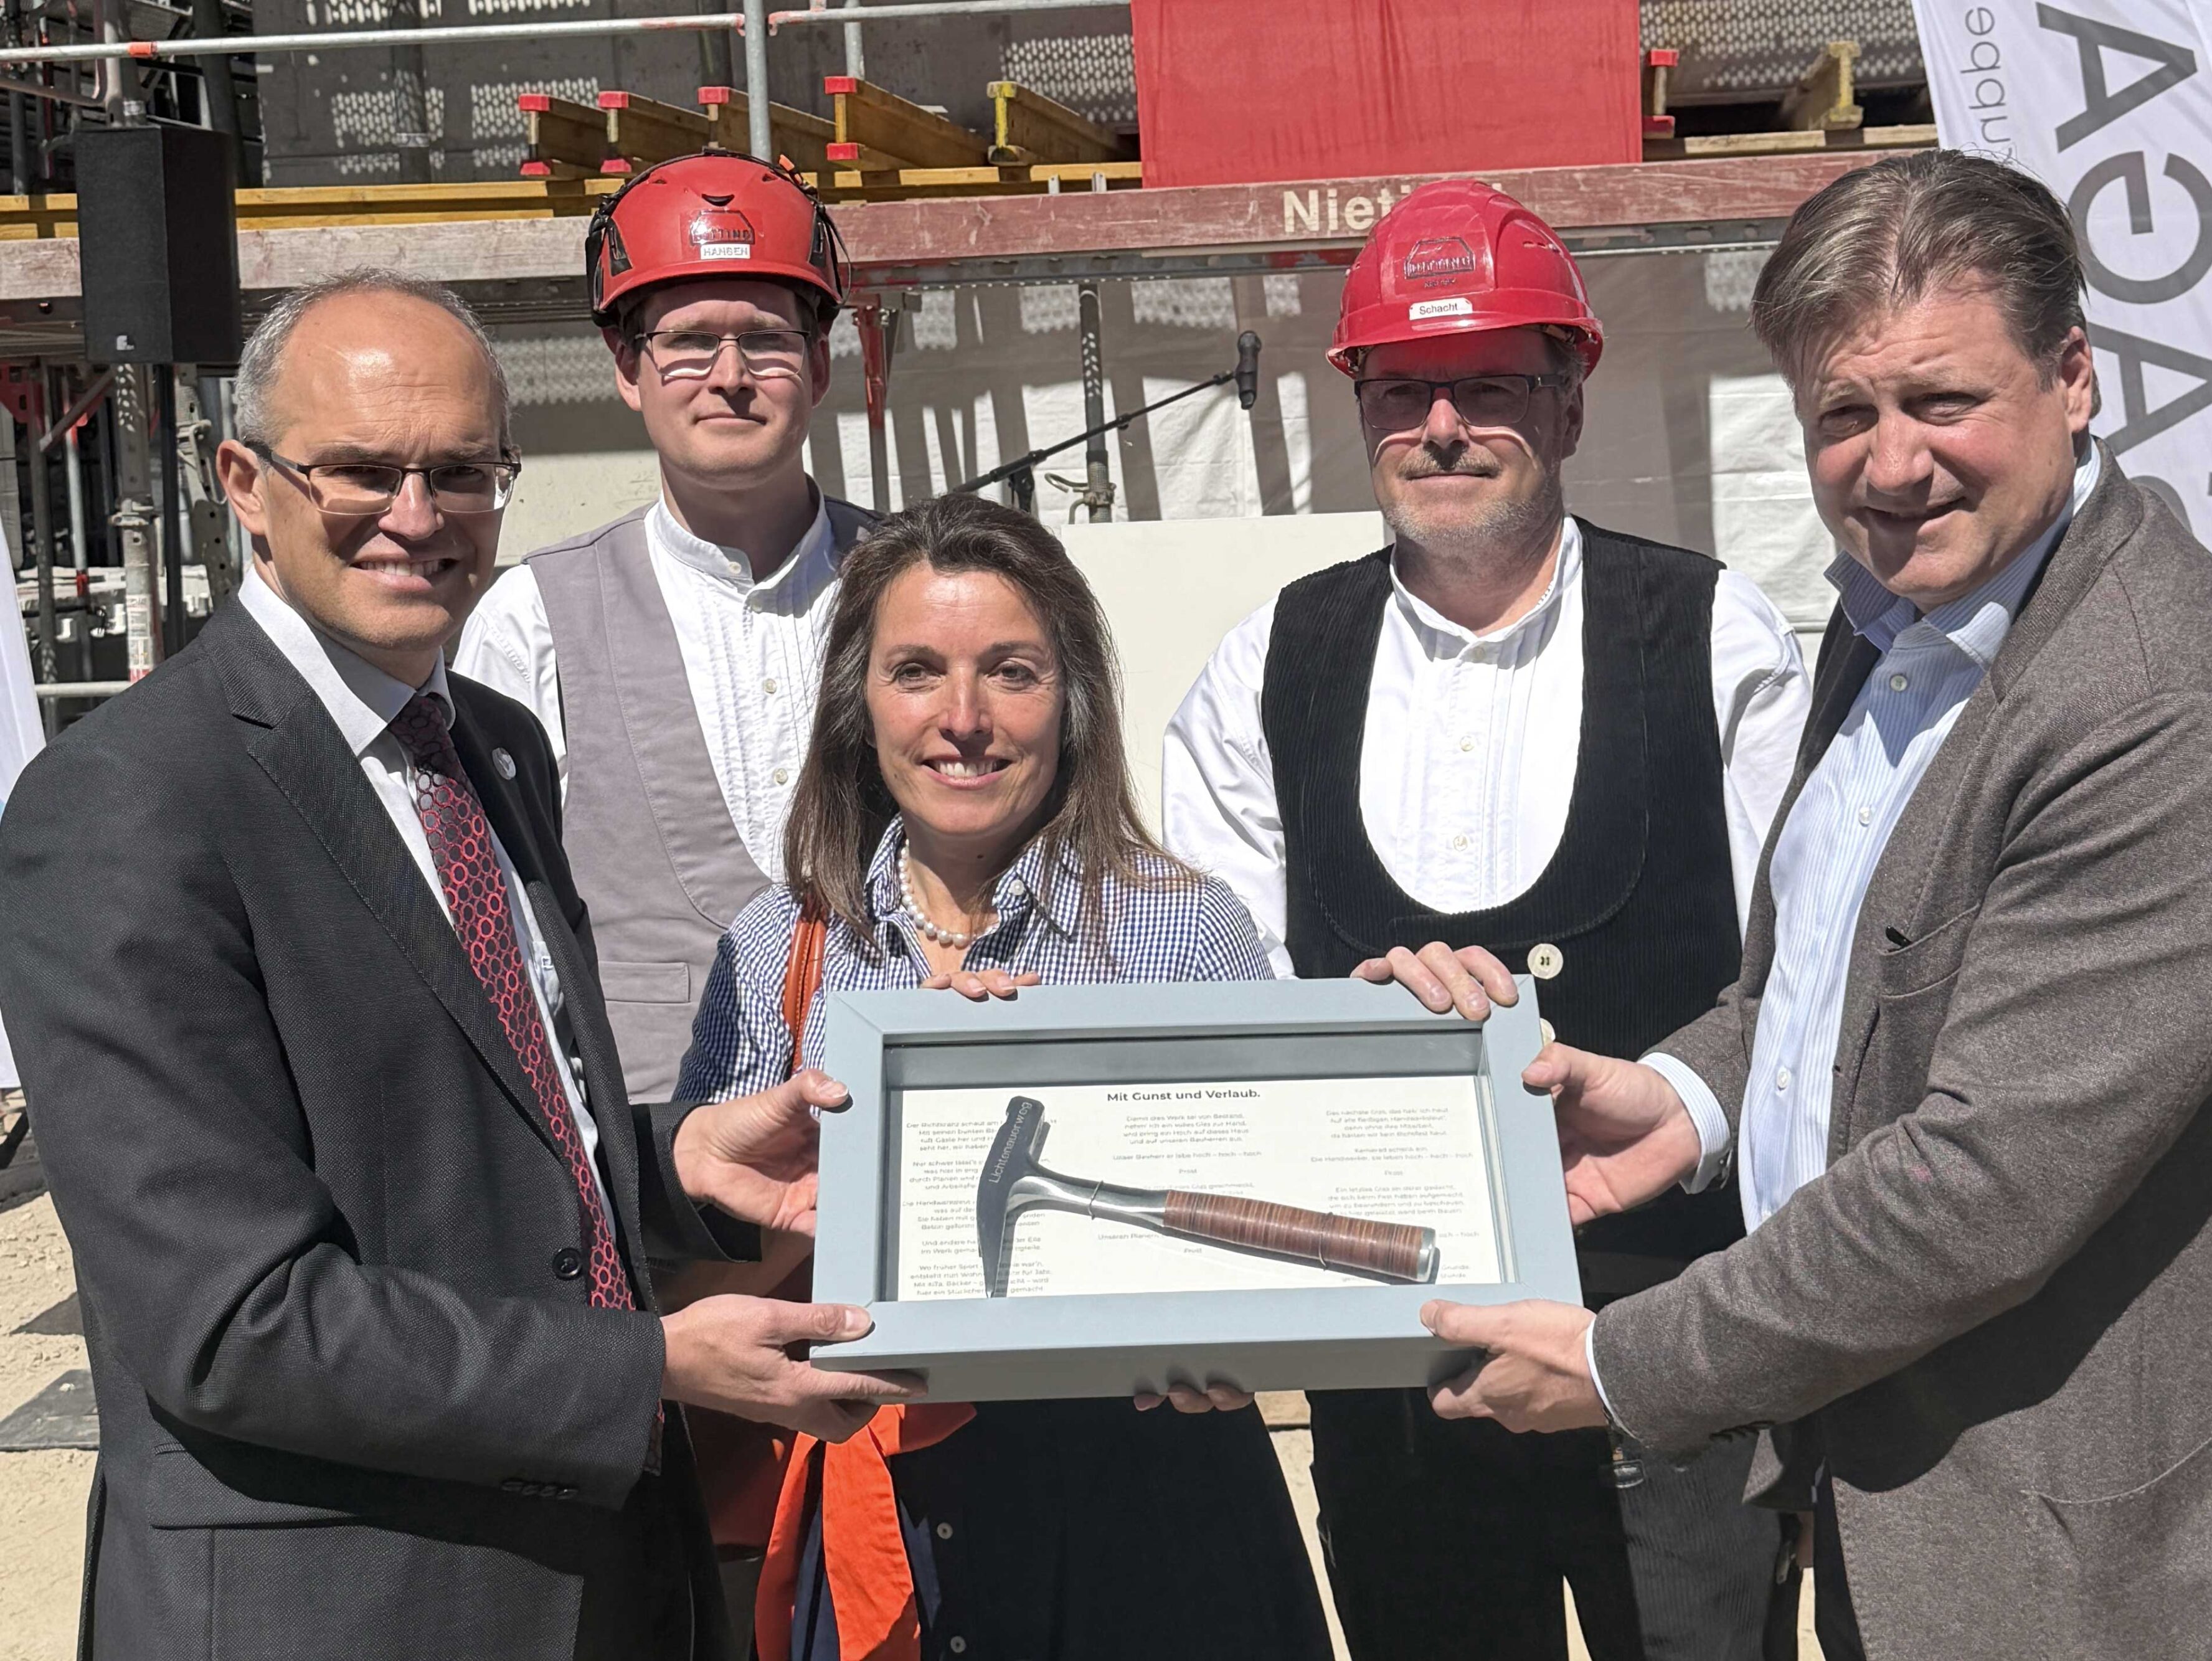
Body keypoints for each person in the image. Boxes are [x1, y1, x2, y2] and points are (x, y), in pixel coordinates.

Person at [1404, 151, 2212, 1660]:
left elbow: (1978, 1183)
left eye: (1939, 399)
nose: (1890, 465)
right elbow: (1825, 975)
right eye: (1841, 414)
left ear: (2073, 377)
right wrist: (1685, 1097)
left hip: (2117, 1563)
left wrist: (1626, 1362)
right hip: (1939, 1504)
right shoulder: (1901, 619)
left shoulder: (2158, 715)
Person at [0, 270, 910, 1661]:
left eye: (463, 473)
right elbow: (232, 1317)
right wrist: (649, 1365)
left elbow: (475, 1136)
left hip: (598, 1577)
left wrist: (678, 1166)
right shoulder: (129, 804)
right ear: (243, 480)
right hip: (342, 1604)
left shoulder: (492, 743)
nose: (417, 517)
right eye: (360, 471)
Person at [1163, 178, 1812, 1660]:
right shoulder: (1272, 658)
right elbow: (1217, 983)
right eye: (1402, 389)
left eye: (1488, 386)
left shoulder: (1711, 633)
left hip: (1668, 1339)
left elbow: (1800, 972)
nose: (1440, 426)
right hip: (1399, 1361)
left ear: (1571, 398)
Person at [685, 493, 1331, 1661]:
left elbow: (1266, 1236)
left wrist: (1247, 1346)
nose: (964, 719)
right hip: (889, 1506)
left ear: (1071, 699)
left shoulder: (1186, 932)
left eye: (1014, 673)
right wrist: (893, 1133)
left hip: (1151, 1504)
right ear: (859, 700)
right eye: (918, 671)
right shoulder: (778, 946)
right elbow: (706, 1250)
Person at [458, 151, 875, 1102]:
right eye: (687, 342)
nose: (728, 377)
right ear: (628, 371)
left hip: (901, 1124)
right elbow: (496, 928)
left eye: (766, 340)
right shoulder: (535, 621)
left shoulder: (922, 584)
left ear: (816, 364)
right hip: (661, 1174)